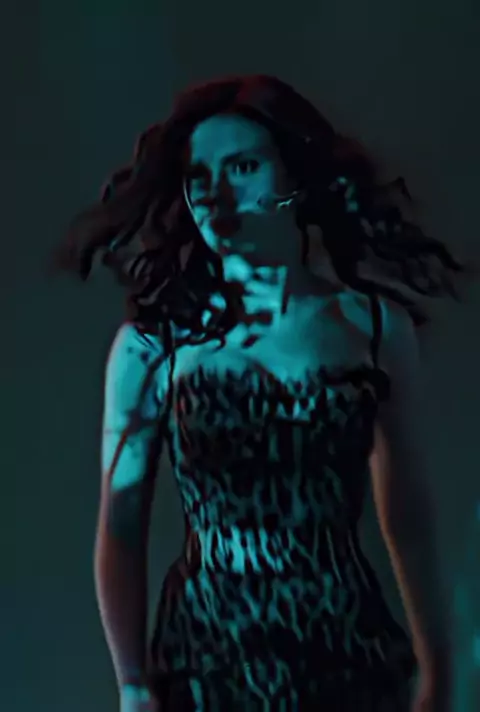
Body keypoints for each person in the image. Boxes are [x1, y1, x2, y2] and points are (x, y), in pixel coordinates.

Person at [56, 74, 465, 711]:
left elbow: (407, 513)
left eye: (243, 167)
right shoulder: (153, 345)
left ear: (295, 174)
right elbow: (122, 524)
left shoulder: (373, 328)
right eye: (198, 176)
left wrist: (437, 666)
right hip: (207, 658)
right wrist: (132, 684)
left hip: (346, 650)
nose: (216, 195)